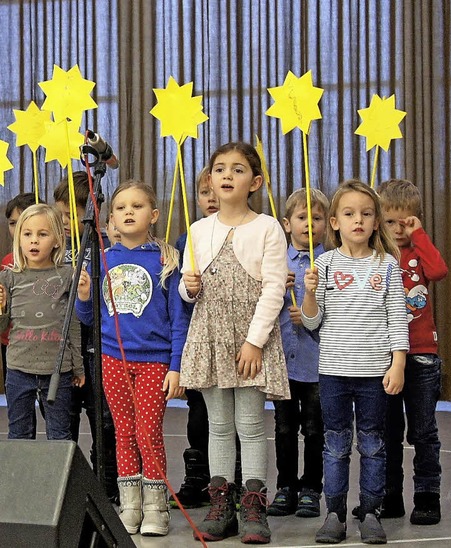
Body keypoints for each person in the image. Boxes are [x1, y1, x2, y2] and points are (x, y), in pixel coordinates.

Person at [180, 142, 290, 544]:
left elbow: (274, 288)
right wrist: (187, 288)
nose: (227, 175)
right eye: (220, 169)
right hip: (210, 334)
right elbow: (188, 290)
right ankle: (220, 503)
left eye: (238, 169)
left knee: (249, 425)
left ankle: (253, 505)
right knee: (219, 426)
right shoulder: (198, 229)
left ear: (255, 182)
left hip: (248, 340)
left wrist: (254, 342)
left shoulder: (267, 228)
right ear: (209, 179)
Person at [76, 180, 190, 537]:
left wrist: (175, 366)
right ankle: (131, 506)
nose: (128, 212)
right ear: (110, 218)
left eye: (136, 206)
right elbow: (90, 319)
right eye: (121, 207)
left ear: (153, 215)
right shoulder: (104, 260)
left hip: (154, 361)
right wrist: (83, 297)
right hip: (113, 359)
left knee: (148, 431)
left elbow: (177, 319)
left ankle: (157, 507)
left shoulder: (165, 259)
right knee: (123, 432)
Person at [301, 180, 409, 544]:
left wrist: (398, 363)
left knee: (373, 443)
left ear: (376, 222)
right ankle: (334, 513)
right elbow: (313, 323)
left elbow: (397, 317)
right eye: (349, 214)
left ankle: (371, 512)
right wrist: (311, 293)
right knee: (335, 443)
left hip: (373, 373)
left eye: (365, 214)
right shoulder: (325, 264)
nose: (357, 220)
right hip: (333, 372)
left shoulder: (387, 265)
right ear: (334, 222)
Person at [375, 179, 448, 525]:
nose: (398, 228)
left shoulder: (419, 253)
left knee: (423, 431)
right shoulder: (375, 258)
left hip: (421, 354)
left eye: (407, 221)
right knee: (387, 432)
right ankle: (389, 496)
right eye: (390, 221)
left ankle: (427, 496)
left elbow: (439, 271)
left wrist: (420, 237)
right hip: (384, 356)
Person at [54, 171, 119, 503]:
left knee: (104, 424)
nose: (64, 222)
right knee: (63, 426)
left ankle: (105, 490)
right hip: (62, 352)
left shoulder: (107, 248)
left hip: (96, 351)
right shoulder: (53, 248)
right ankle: (67, 493)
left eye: (71, 215)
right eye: (60, 213)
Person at [268, 187, 329, 519]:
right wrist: (279, 290)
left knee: (315, 429)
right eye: (302, 217)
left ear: (327, 224)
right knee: (283, 428)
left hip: (318, 362)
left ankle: (310, 489)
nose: (309, 224)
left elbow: (337, 315)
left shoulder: (330, 263)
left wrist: (310, 309)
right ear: (287, 223)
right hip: (284, 362)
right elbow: (260, 305)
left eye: (316, 218)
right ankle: (285, 487)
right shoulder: (277, 262)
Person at [0, 204, 84, 439]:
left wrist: (77, 366)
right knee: (19, 433)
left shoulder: (68, 276)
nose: (34, 241)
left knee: (59, 434)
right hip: (18, 369)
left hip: (58, 370)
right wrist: (2, 308)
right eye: (27, 234)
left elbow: (73, 325)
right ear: (19, 239)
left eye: (42, 234)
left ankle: (59, 477)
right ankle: (20, 477)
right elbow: (2, 328)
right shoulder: (7, 277)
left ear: (57, 239)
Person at [170, 166, 222, 509]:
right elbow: (180, 299)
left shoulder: (251, 230)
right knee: (199, 413)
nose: (212, 199)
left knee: (229, 417)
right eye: (205, 194)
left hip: (233, 339)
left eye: (217, 192)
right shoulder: (187, 239)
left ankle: (228, 483)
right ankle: (197, 479)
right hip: (198, 341)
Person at [2, 192, 37, 386]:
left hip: (42, 342)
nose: (17, 228)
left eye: (23, 221)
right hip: (11, 342)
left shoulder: (52, 263)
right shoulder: (7, 262)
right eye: (12, 223)